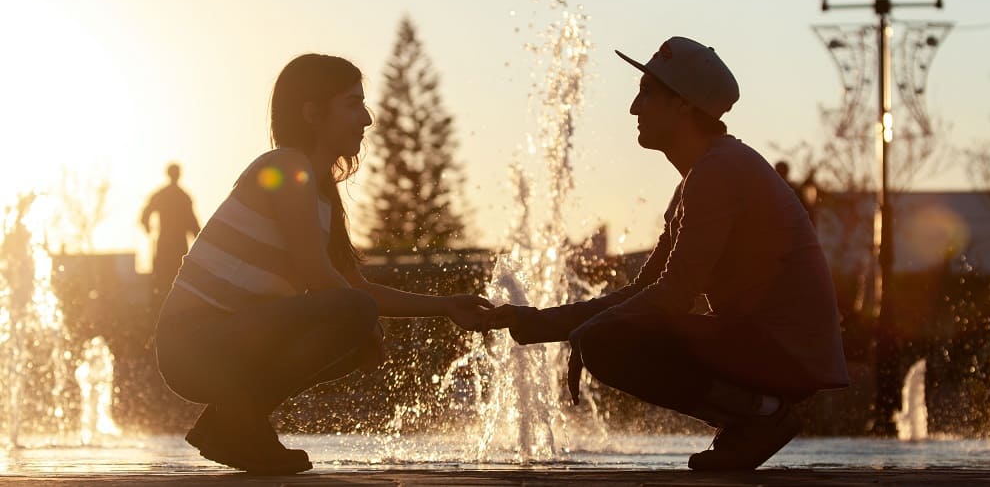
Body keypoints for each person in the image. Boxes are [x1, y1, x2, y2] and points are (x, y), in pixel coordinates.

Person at [487, 36, 849, 471]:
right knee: (609, 333)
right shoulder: (700, 179)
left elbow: (673, 296)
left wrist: (592, 332)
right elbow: (645, 292)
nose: (634, 108)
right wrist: (534, 322)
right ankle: (754, 415)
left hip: (785, 354)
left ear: (683, 106)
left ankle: (761, 415)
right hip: (766, 346)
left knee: (610, 341)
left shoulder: (719, 172)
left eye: (646, 94)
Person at [155, 54, 493, 475]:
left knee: (354, 319)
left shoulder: (320, 193)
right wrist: (360, 318)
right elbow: (321, 277)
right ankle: (237, 425)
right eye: (353, 104)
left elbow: (354, 286)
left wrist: (445, 305)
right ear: (312, 113)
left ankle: (232, 424)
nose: (366, 119)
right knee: (354, 316)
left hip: (230, 342)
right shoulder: (284, 167)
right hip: (192, 344)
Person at [140, 163, 201, 308]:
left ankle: (160, 308)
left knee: (163, 279)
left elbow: (145, 214)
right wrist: (200, 242)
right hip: (175, 244)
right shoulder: (183, 196)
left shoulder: (164, 195)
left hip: (167, 243)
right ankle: (166, 308)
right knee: (173, 278)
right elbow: (193, 224)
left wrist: (148, 228)